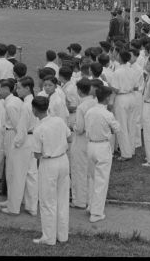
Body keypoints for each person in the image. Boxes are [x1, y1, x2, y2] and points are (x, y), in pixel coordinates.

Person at [31, 95, 72, 246]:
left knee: (48, 201)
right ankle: (62, 235)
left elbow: (36, 154)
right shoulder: (59, 121)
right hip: (63, 160)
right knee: (62, 199)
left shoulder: (38, 129)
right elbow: (70, 138)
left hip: (49, 163)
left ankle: (48, 237)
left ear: (34, 110)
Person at [84, 85, 121, 222]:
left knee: (92, 178)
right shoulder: (107, 114)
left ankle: (91, 205)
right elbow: (117, 128)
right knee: (101, 180)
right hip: (102, 146)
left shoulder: (89, 111)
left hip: (91, 145)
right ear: (107, 98)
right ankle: (96, 213)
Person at [0, 78, 24, 214]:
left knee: (12, 170)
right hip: (10, 133)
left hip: (12, 135)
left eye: (0, 88)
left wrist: (17, 141)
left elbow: (17, 124)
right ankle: (11, 199)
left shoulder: (11, 104)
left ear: (7, 89)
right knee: (10, 170)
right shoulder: (13, 101)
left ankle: (13, 204)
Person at [14, 76, 39, 216]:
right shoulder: (33, 102)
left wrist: (16, 143)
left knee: (20, 173)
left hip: (25, 140)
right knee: (32, 173)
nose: (17, 90)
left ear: (27, 88)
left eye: (19, 88)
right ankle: (32, 205)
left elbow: (22, 128)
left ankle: (17, 204)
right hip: (33, 139)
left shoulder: (25, 105)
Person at [70, 78, 96, 210]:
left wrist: (73, 126)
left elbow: (79, 128)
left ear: (79, 90)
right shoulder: (94, 102)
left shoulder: (82, 107)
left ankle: (79, 201)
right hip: (91, 140)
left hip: (81, 140)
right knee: (89, 171)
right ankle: (88, 198)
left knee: (79, 170)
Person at [109, 50, 136, 161]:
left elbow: (115, 89)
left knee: (122, 125)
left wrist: (109, 85)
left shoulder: (118, 72)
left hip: (121, 98)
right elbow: (135, 85)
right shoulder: (132, 70)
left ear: (120, 58)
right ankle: (131, 149)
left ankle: (125, 153)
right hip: (131, 96)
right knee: (131, 124)